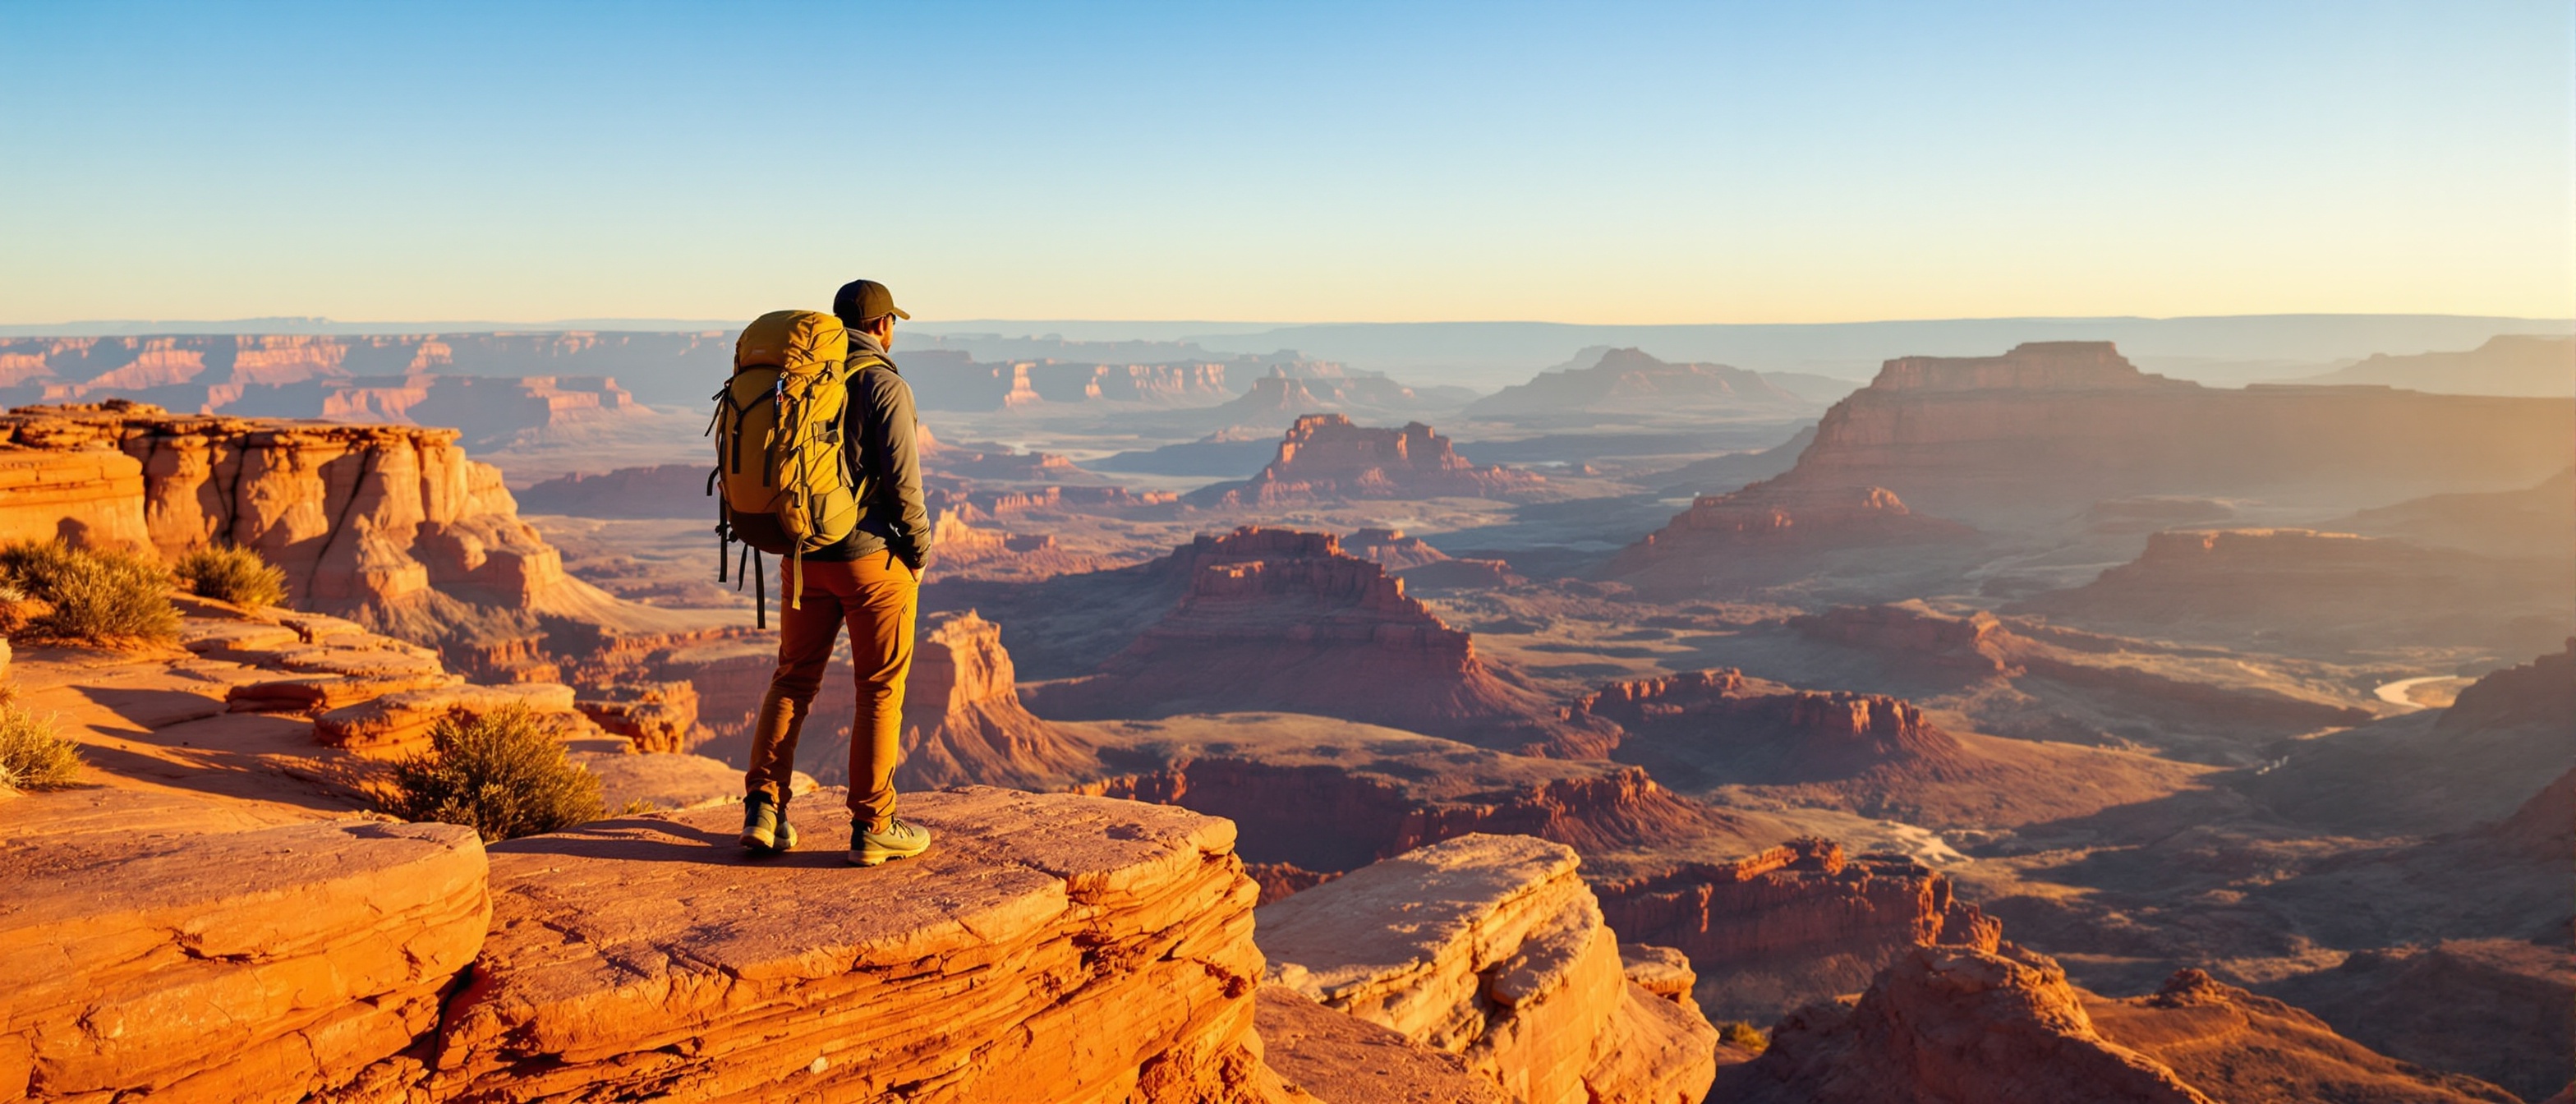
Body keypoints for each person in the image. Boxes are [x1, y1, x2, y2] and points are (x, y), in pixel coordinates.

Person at [739, 278, 936, 867]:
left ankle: (763, 811)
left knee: (793, 679)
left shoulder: (798, 379)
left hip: (802, 556)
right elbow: (904, 485)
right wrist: (919, 552)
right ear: (881, 326)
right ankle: (874, 823)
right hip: (869, 561)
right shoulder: (882, 382)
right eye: (891, 321)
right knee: (878, 689)